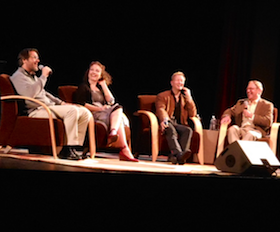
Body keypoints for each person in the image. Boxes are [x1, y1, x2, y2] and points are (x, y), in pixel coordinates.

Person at [10, 48, 92, 160]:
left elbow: (44, 93)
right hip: (36, 110)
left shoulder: (33, 77)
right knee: (72, 111)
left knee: (84, 112)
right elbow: (29, 94)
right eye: (34, 57)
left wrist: (62, 103)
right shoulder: (18, 76)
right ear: (24, 60)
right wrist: (43, 76)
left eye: (38, 58)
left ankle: (74, 147)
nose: (38, 61)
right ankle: (66, 149)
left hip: (48, 107)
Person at [75, 61, 138, 162]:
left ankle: (114, 134)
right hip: (92, 114)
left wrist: (104, 85)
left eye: (97, 71)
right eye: (92, 70)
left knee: (118, 110)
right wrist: (99, 109)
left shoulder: (100, 88)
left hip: (105, 113)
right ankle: (124, 150)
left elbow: (111, 101)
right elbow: (81, 104)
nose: (94, 72)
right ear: (88, 72)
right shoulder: (84, 87)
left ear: (101, 75)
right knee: (118, 110)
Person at [155, 71, 197, 165]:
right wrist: (164, 120)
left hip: (179, 124)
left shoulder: (184, 98)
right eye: (178, 80)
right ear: (172, 83)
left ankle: (176, 156)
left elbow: (192, 114)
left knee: (188, 130)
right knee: (170, 129)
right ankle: (179, 155)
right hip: (167, 122)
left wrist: (190, 98)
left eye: (182, 81)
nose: (180, 83)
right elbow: (160, 109)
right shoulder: (163, 96)